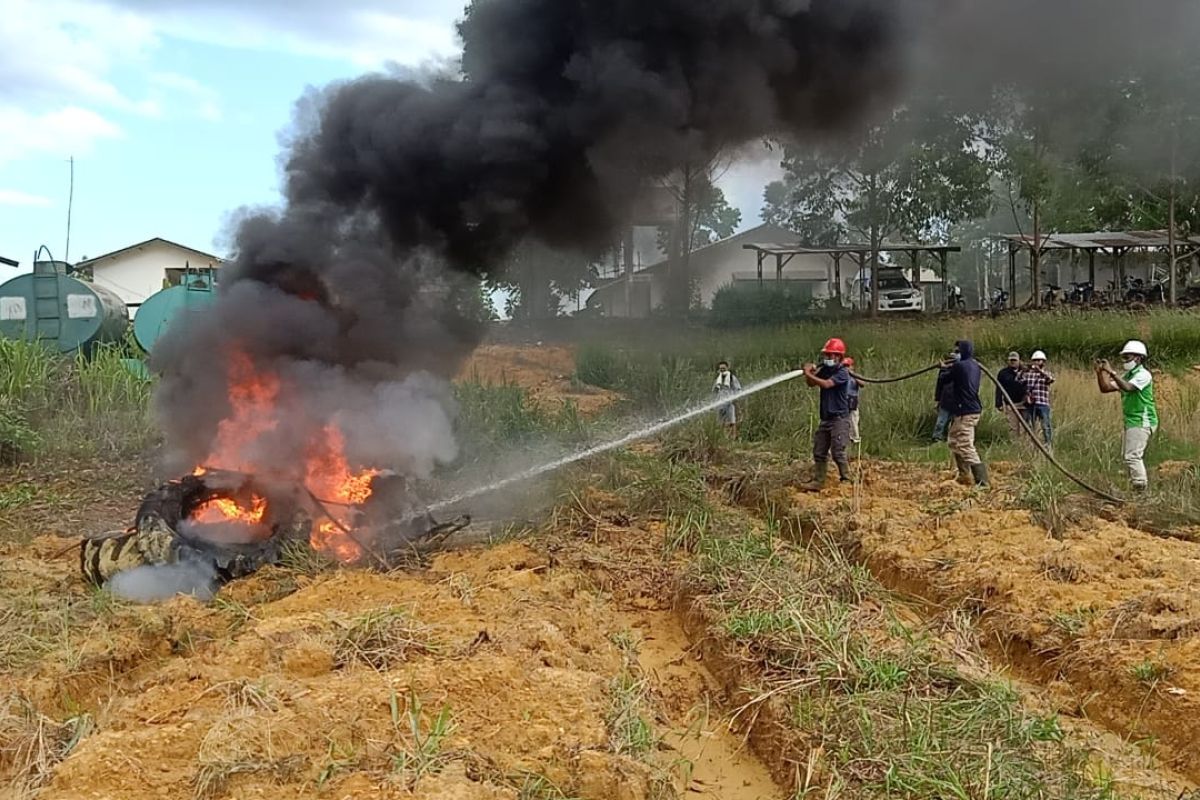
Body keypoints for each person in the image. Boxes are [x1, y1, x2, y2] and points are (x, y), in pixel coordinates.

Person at [1095, 340, 1158, 491]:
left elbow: (1128, 388)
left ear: (1138, 358)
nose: (1124, 361)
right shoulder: (1129, 375)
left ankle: (1140, 488)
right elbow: (1106, 388)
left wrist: (1111, 372)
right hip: (1132, 421)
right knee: (1128, 455)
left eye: (1127, 357)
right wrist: (1100, 373)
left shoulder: (1143, 375)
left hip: (1142, 421)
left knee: (1133, 456)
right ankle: (1135, 486)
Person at [801, 338, 852, 489]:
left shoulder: (843, 373)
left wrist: (807, 372)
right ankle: (819, 480)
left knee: (838, 451)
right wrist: (809, 373)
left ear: (839, 357)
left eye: (831, 355)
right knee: (819, 450)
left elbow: (826, 384)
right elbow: (811, 383)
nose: (828, 358)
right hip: (826, 418)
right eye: (826, 355)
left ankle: (847, 479)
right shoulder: (825, 370)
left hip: (839, 419)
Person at [945, 339, 988, 486]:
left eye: (957, 351)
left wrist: (944, 367)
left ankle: (982, 482)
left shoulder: (959, 366)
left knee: (964, 444)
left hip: (966, 411)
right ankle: (964, 475)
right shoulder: (976, 366)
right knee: (954, 440)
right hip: (968, 409)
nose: (954, 354)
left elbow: (945, 378)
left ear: (962, 352)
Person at [1018, 350, 1054, 446]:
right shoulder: (1028, 374)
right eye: (1035, 360)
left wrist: (1039, 371)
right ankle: (1032, 444)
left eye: (1039, 360)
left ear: (1043, 362)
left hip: (1043, 403)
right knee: (1031, 425)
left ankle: (1047, 444)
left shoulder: (1047, 373)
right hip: (1031, 404)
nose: (1037, 362)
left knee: (1045, 425)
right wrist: (1022, 371)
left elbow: (1050, 379)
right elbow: (1018, 380)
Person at [994, 352, 1028, 441]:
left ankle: (1025, 446)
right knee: (1013, 427)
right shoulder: (1003, 373)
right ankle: (1015, 446)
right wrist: (998, 403)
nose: (1013, 362)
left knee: (1026, 427)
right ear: (1008, 361)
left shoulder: (1026, 371)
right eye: (1011, 360)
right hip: (1010, 403)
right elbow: (999, 388)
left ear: (1019, 360)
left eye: (1015, 360)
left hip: (1025, 403)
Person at [712, 360, 742, 438]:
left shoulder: (732, 377)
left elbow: (738, 389)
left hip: (729, 403)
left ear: (727, 368)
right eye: (720, 368)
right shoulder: (718, 379)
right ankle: (723, 437)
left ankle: (733, 437)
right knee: (720, 422)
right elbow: (714, 391)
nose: (722, 370)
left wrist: (734, 399)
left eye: (723, 368)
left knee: (732, 421)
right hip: (719, 403)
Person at [931, 352, 956, 442]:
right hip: (945, 400)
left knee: (955, 422)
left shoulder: (961, 370)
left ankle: (952, 438)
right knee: (941, 421)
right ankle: (937, 437)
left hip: (958, 401)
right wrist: (937, 399)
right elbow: (939, 385)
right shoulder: (944, 371)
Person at [844, 356, 862, 444]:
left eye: (848, 366)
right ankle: (845, 437)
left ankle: (855, 438)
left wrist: (853, 375)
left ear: (852, 366)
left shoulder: (855, 376)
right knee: (843, 420)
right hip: (843, 400)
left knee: (853, 420)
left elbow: (862, 383)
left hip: (852, 400)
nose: (846, 368)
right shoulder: (842, 376)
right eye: (844, 366)